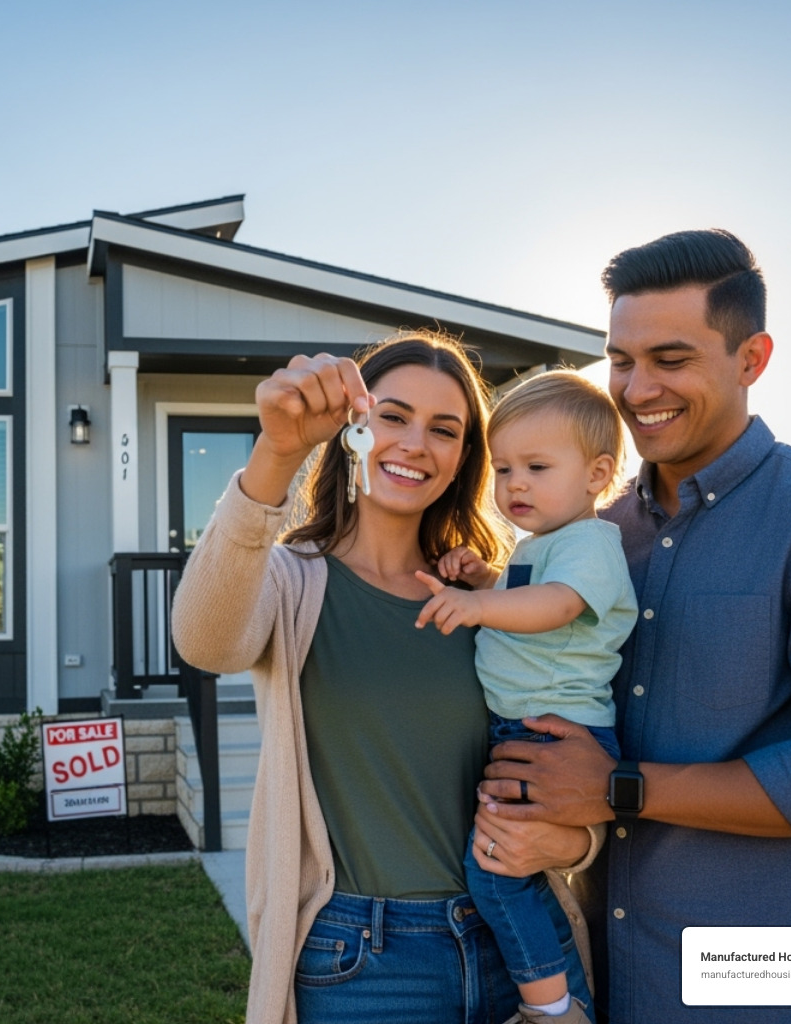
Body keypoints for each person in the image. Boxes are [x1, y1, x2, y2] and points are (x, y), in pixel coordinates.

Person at [474, 230, 791, 1024]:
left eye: (670, 359)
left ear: (751, 359)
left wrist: (621, 788)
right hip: (613, 986)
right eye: (621, 361)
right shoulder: (593, 536)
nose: (637, 390)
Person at [172, 332, 601, 1024]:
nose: (415, 444)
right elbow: (204, 643)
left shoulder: (496, 596)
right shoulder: (291, 582)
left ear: (464, 458)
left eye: (445, 430)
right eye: (393, 416)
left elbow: (570, 745)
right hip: (364, 965)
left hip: (518, 947)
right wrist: (278, 451)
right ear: (353, 430)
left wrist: (579, 843)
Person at [418, 370, 637, 1024]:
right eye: (504, 468)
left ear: (598, 474)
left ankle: (551, 1008)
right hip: (526, 729)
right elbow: (527, 594)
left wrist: (477, 605)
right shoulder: (542, 544)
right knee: (509, 867)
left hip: (551, 734)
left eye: (537, 467)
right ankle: (558, 994)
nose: (514, 484)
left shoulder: (591, 543)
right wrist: (484, 576)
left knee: (495, 874)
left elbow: (557, 605)